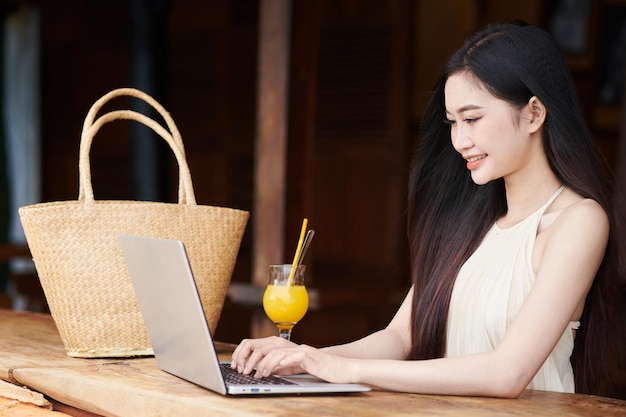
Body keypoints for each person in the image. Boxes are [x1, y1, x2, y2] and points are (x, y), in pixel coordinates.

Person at [231, 21, 623, 398]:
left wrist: (347, 370)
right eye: (453, 122)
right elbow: (401, 337)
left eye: (472, 118)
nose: (459, 139)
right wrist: (304, 358)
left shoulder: (579, 222)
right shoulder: (471, 223)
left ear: (534, 113)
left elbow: (508, 372)